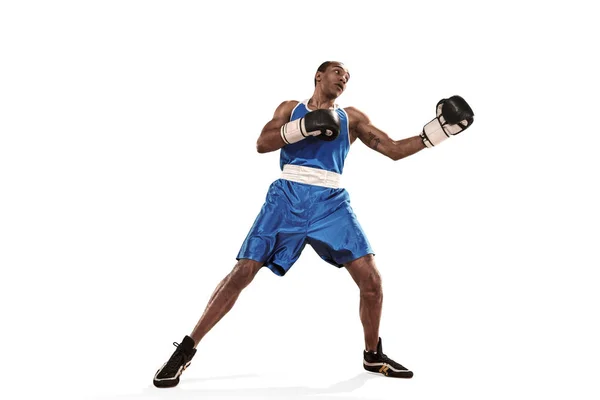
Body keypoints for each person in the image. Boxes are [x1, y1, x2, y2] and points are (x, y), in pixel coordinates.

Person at [152, 61, 474, 388]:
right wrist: (303, 127)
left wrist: (440, 131)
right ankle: (186, 351)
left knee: (372, 280)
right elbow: (262, 144)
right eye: (338, 72)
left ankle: (372, 355)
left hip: (331, 202)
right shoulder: (290, 108)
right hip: (287, 197)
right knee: (242, 271)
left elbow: (393, 149)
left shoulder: (353, 118)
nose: (344, 79)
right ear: (319, 75)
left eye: (347, 77)